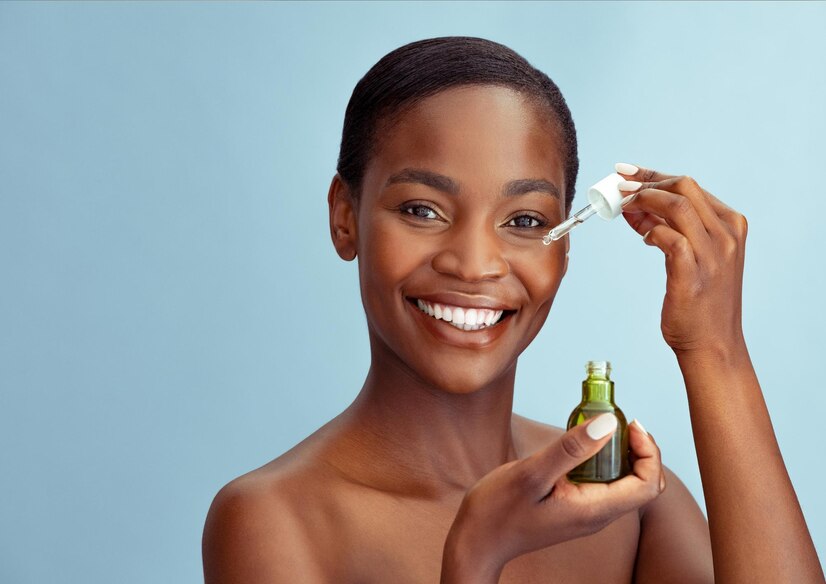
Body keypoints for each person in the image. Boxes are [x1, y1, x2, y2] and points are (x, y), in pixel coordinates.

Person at [201, 37, 823, 583]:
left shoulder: (623, 503)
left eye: (525, 221)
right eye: (422, 210)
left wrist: (715, 351)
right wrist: (474, 557)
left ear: (564, 248)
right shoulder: (271, 518)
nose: (475, 265)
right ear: (345, 216)